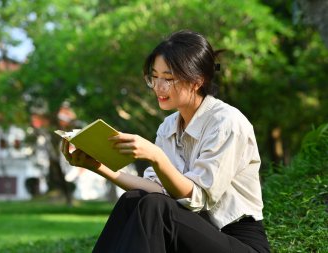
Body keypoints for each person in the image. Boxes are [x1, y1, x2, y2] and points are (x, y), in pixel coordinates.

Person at [61, 30, 270, 253]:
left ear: (197, 81)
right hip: (192, 232)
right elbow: (157, 189)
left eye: (169, 79)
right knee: (133, 199)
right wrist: (99, 167)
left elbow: (196, 198)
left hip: (238, 243)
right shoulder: (169, 126)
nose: (159, 87)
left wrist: (156, 156)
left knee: (154, 206)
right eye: (154, 77)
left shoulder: (226, 122)